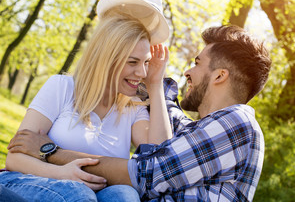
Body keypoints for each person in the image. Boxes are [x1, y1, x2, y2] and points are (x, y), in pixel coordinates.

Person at [7, 25, 272, 201]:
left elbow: (149, 169)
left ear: (220, 75)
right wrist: (140, 12)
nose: (187, 72)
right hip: (48, 186)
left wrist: (51, 151)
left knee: (121, 194)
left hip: (77, 184)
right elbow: (166, 116)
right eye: (134, 62)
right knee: (88, 195)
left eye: (197, 63)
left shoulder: (237, 124)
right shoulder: (200, 131)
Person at [0, 0, 173, 202]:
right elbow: (15, 158)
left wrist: (155, 85)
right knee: (78, 193)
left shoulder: (133, 107)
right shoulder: (62, 87)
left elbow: (160, 159)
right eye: (132, 62)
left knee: (125, 195)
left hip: (93, 193)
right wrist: (62, 173)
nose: (142, 73)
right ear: (107, 58)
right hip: (33, 181)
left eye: (146, 62)